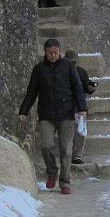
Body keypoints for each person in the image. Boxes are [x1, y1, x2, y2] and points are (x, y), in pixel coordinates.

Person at [18, 38, 88, 195]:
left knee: (66, 149)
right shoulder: (39, 69)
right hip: (46, 114)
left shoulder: (68, 67)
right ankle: (52, 172)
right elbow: (31, 92)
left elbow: (77, 88)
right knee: (46, 145)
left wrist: (82, 108)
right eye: (50, 53)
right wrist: (24, 111)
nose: (53, 55)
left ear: (59, 51)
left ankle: (65, 181)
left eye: (56, 52)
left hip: (66, 114)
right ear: (45, 52)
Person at [63, 49, 97, 165]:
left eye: (73, 62)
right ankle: (66, 154)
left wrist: (91, 88)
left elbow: (86, 85)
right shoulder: (60, 72)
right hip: (65, 107)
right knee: (66, 133)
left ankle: (76, 156)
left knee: (80, 133)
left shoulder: (81, 72)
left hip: (79, 107)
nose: (71, 64)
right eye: (69, 62)